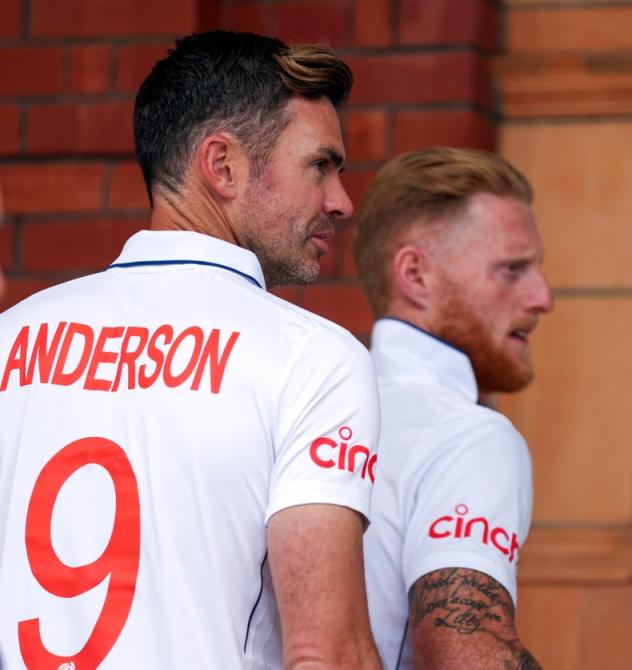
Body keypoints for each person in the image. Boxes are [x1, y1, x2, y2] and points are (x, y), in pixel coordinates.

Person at [0, 31, 381, 669]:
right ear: (222, 165)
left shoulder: (13, 335)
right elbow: (327, 654)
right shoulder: (312, 359)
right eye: (320, 165)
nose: (340, 201)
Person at [354, 147, 553, 669]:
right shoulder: (466, 436)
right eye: (511, 270)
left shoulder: (309, 408)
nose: (542, 297)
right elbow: (463, 654)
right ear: (416, 275)